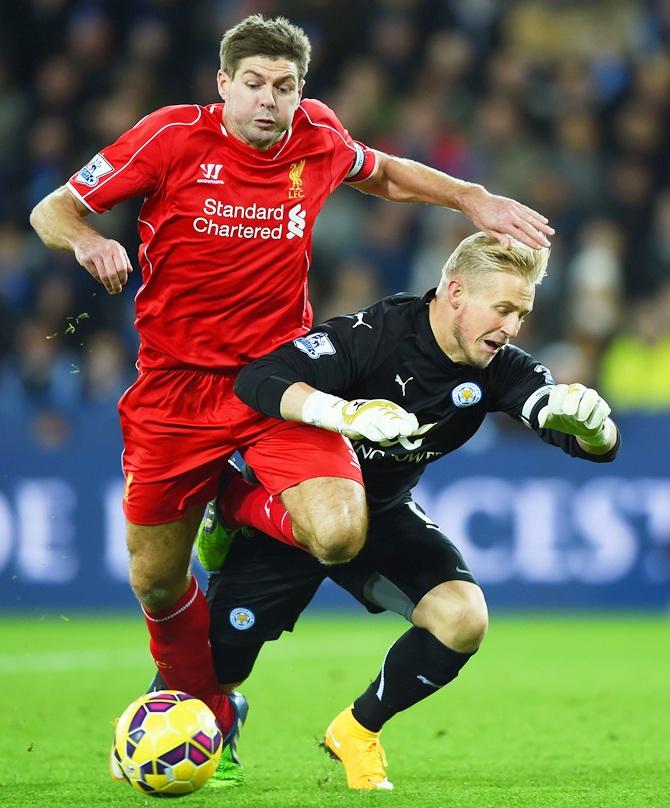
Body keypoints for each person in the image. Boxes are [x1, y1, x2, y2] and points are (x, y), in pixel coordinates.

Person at [28, 12, 554, 749]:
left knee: (339, 534)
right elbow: (52, 208)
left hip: (280, 381)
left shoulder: (317, 136)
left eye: (285, 86)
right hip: (175, 390)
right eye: (254, 85)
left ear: (301, 92)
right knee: (154, 582)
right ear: (224, 85)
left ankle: (233, 508)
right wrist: (87, 239)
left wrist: (470, 197)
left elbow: (387, 174)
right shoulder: (170, 137)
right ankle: (212, 703)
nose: (270, 101)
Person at [187, 232, 619, 790]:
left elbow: (581, 440)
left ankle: (358, 731)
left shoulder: (500, 366)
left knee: (463, 619)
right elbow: (257, 379)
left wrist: (593, 426)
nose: (513, 327)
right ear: (456, 293)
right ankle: (236, 510)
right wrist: (343, 413)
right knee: (215, 669)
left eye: (523, 313)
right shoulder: (374, 336)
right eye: (504, 309)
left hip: (381, 515)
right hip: (296, 514)